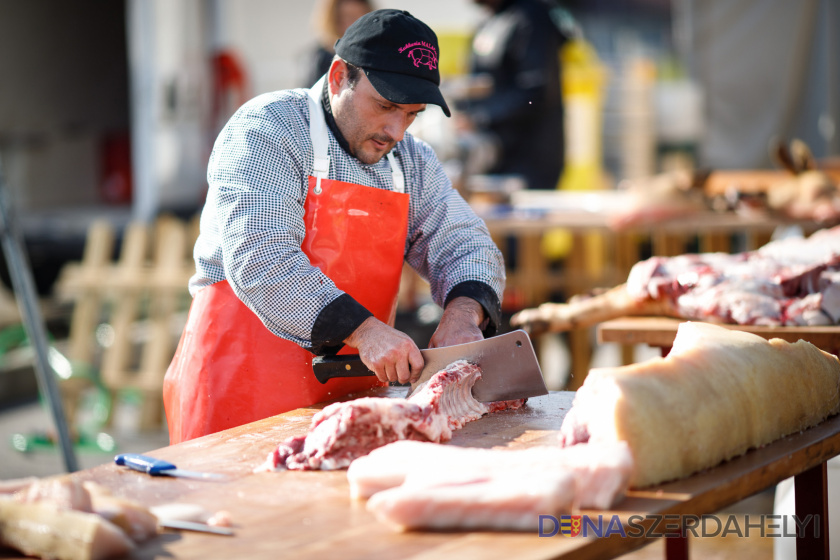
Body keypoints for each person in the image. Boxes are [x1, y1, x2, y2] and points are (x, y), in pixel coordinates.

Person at [163, 9, 506, 444]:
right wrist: (365, 332)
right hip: (235, 392)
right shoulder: (270, 129)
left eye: (412, 114)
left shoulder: (410, 161)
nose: (396, 130)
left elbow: (465, 245)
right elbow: (260, 258)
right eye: (385, 106)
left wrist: (463, 314)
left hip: (349, 402)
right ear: (340, 76)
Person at [457, 0, 568, 190]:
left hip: (528, 160)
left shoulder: (531, 17)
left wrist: (478, 118)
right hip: (489, 157)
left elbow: (535, 94)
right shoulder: (489, 20)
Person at [304, 0, 374, 87]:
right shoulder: (323, 57)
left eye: (360, 18)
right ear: (334, 20)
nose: (354, 25)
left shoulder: (374, 52)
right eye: (348, 18)